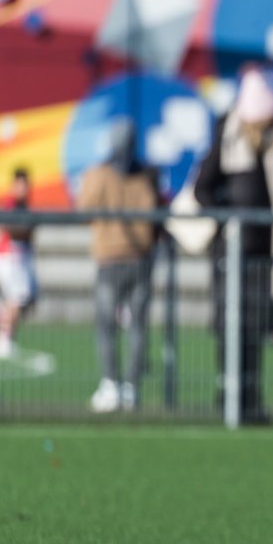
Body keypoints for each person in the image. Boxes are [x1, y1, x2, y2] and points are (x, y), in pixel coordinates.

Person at [194, 66, 273, 425]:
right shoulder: (227, 138)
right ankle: (229, 396)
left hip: (265, 255)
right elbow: (201, 189)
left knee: (254, 328)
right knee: (230, 327)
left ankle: (252, 399)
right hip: (231, 254)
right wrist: (228, 219)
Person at [78, 119, 162, 412]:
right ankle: (129, 388)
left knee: (106, 325)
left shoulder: (99, 175)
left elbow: (84, 209)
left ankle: (111, 384)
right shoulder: (147, 175)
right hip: (140, 259)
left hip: (111, 259)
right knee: (136, 326)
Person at [0, 168, 39, 360]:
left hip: (21, 258)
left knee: (24, 299)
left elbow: (29, 234)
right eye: (21, 184)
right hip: (8, 257)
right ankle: (3, 340)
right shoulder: (10, 204)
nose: (24, 188)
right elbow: (11, 229)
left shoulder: (26, 206)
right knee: (17, 298)